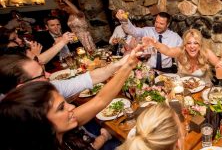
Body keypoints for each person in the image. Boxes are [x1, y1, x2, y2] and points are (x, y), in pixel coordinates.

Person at [0, 48, 140, 150]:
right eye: (61, 107)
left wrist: (128, 65)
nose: (71, 107)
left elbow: (100, 100)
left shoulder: (46, 127)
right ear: (38, 120)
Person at [0, 52, 136, 100]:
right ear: (22, 87)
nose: (48, 75)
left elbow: (89, 78)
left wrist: (120, 63)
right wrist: (127, 67)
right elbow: (99, 101)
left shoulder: (48, 87)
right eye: (41, 75)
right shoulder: (20, 120)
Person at [116, 9, 182, 73]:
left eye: (161, 24)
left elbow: (184, 50)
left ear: (167, 25)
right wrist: (124, 20)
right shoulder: (147, 31)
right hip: (149, 69)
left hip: (167, 70)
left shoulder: (175, 37)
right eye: (156, 22)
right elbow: (133, 31)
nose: (157, 25)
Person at [142, 28, 220, 82]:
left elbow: (220, 65)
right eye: (188, 43)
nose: (192, 46)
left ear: (200, 45)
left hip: (203, 91)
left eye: (196, 43)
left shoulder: (206, 53)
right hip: (183, 90)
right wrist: (154, 43)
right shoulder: (180, 51)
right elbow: (167, 51)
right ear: (185, 45)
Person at [0, 27, 75, 65]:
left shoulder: (21, 49)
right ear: (4, 44)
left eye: (17, 37)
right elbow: (40, 62)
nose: (19, 40)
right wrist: (35, 57)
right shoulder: (7, 59)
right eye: (14, 39)